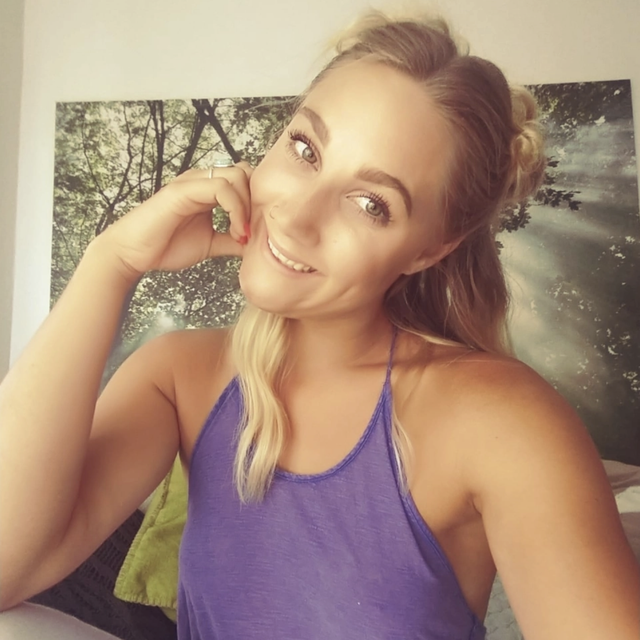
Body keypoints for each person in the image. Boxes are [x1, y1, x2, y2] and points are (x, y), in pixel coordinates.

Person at [1, 8, 638, 640]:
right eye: (305, 148)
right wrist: (110, 263)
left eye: (371, 204)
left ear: (429, 250)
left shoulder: (501, 421)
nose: (298, 217)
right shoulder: (178, 375)